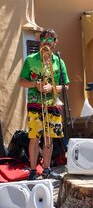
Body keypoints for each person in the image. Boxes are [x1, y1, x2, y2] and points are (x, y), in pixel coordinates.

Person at [19, 29, 70, 180]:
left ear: (55, 42)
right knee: (34, 137)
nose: (47, 43)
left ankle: (46, 169)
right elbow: (21, 82)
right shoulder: (30, 59)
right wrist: (36, 84)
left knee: (49, 138)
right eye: (44, 39)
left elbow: (66, 85)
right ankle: (33, 170)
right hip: (35, 103)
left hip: (52, 103)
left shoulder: (59, 62)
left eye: (50, 40)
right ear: (40, 41)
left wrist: (52, 88)